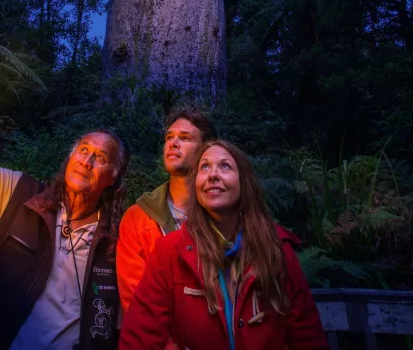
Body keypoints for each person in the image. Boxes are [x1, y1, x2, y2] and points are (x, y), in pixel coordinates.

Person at [0, 50, 127, 350]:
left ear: (113, 176)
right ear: (70, 156)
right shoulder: (15, 195)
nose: (87, 160)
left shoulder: (115, 243)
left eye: (100, 157)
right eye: (83, 150)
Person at [119, 140, 328, 350]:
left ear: (244, 182)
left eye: (225, 166)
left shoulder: (277, 248)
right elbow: (138, 338)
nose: (213, 175)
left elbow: (307, 335)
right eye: (205, 167)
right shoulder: (170, 251)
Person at [116, 109, 216, 315]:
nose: (173, 143)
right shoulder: (138, 217)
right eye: (169, 137)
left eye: (185, 138)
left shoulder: (224, 214)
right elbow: (137, 303)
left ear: (207, 150)